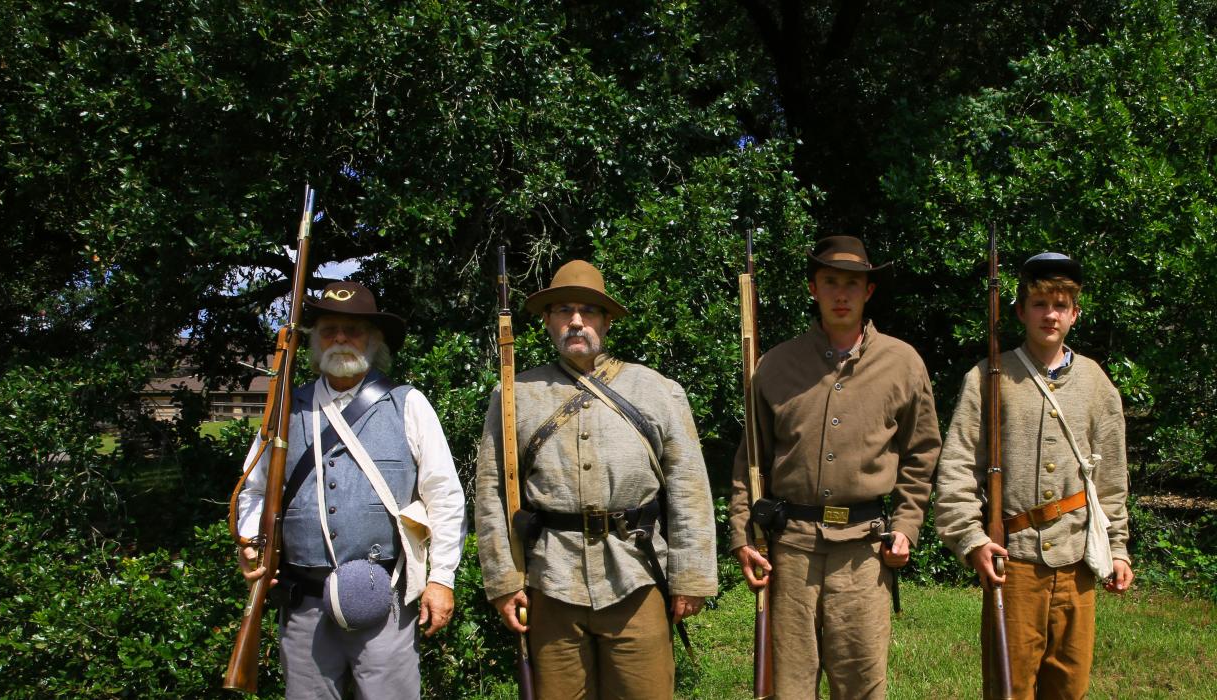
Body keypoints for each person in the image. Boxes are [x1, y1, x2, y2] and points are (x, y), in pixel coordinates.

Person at [475, 259, 717, 699]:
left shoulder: (658, 391)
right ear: (547, 320)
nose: (575, 321)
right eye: (563, 310)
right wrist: (504, 582)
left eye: (587, 311)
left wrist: (691, 577)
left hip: (636, 575)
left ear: (606, 320)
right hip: (550, 580)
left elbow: (689, 486)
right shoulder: (514, 395)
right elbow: (492, 494)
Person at [729, 235, 942, 699]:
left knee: (862, 685)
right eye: (830, 282)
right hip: (790, 552)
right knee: (787, 686)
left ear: (868, 291)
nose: (841, 294)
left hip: (864, 553)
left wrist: (907, 523)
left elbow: (921, 454)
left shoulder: (903, 364)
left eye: (852, 283)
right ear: (813, 289)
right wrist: (744, 535)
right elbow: (751, 461)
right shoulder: (775, 365)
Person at [235, 281, 467, 700]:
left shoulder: (409, 404)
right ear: (314, 341)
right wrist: (252, 540)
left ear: (374, 340)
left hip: (386, 604)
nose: (340, 338)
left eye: (353, 329)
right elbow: (253, 490)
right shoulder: (285, 408)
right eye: (329, 329)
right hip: (304, 603)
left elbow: (445, 497)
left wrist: (442, 579)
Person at [935, 252, 1132, 700]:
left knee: (1069, 686)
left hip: (1078, 559)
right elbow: (958, 468)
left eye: (1061, 305)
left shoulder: (1097, 383)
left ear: (1075, 314)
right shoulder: (988, 377)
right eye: (1040, 304)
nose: (1051, 314)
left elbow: (1112, 482)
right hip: (1015, 560)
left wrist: (1117, 548)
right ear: (1022, 311)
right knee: (1010, 687)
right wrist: (972, 539)